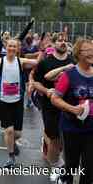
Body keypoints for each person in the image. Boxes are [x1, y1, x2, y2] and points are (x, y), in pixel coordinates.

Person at [0, 39, 38, 168]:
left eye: (14, 46)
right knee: (9, 130)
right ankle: (11, 157)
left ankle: (12, 143)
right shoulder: (0, 61)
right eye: (10, 46)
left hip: (17, 101)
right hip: (2, 101)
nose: (12, 48)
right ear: (6, 47)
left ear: (18, 48)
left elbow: (37, 63)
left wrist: (43, 52)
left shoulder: (21, 62)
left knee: (17, 133)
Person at [32, 32, 74, 181]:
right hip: (50, 106)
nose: (63, 42)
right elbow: (36, 82)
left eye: (65, 40)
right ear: (54, 44)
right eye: (60, 40)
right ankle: (55, 167)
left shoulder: (73, 61)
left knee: (64, 140)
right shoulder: (45, 62)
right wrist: (46, 91)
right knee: (55, 138)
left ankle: (51, 149)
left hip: (69, 105)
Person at [51, 38, 93, 184]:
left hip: (91, 129)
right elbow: (55, 98)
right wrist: (72, 109)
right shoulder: (69, 75)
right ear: (78, 54)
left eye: (92, 49)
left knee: (89, 168)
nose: (92, 53)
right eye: (88, 50)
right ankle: (63, 178)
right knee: (72, 166)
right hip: (71, 128)